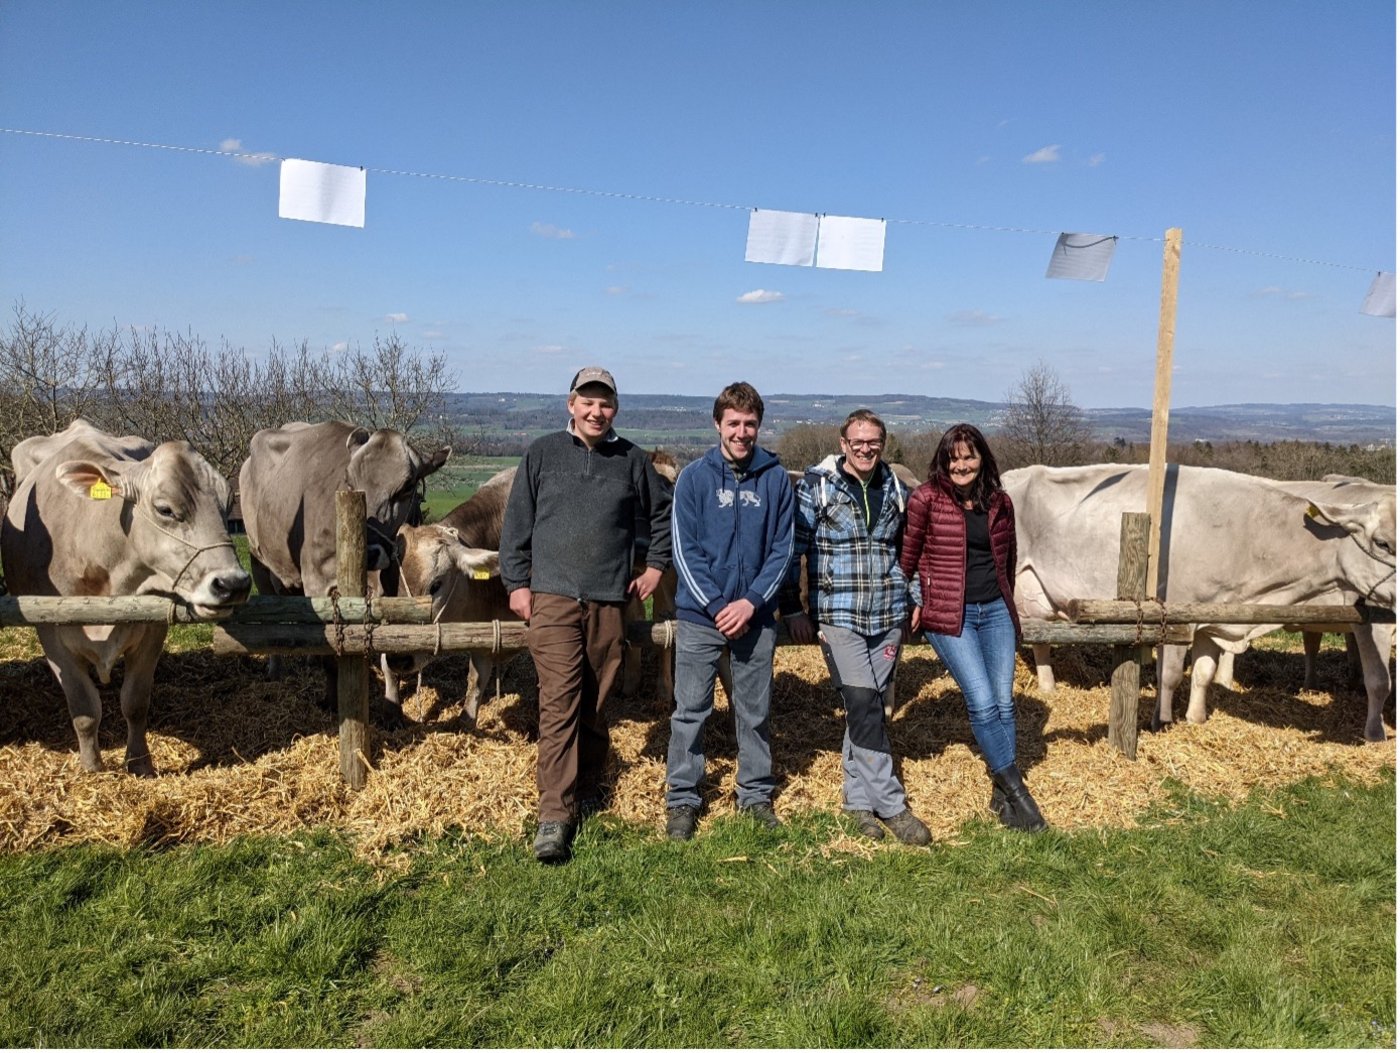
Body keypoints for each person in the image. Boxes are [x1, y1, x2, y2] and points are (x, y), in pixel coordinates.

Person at [499, 366, 672, 863]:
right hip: (551, 597)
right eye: (588, 402)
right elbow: (517, 524)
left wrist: (656, 567)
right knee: (559, 702)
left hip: (609, 600)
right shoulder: (542, 454)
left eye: (605, 403)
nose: (597, 412)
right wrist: (516, 584)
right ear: (571, 405)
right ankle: (554, 815)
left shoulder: (631, 461)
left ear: (615, 408)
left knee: (595, 701)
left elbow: (663, 515)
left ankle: (589, 786)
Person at [782, 410, 932, 845]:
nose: (866, 449)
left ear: (882, 444)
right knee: (865, 705)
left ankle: (857, 803)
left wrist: (914, 597)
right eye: (858, 442)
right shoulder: (817, 487)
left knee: (866, 710)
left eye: (873, 442)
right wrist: (792, 607)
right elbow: (794, 550)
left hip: (886, 615)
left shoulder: (896, 490)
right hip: (839, 614)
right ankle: (892, 805)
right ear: (843, 444)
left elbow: (909, 551)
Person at [899, 423, 1048, 833]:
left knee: (1004, 702)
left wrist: (1007, 603)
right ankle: (1019, 794)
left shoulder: (999, 502)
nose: (961, 465)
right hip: (950, 614)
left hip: (995, 610)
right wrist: (913, 600)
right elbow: (908, 557)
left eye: (969, 457)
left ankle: (1001, 796)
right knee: (982, 701)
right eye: (954, 458)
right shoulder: (926, 499)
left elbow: (1007, 557)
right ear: (943, 462)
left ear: (982, 459)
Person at [664, 381, 794, 840]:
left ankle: (754, 794)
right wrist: (719, 606)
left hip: (755, 618)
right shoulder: (694, 479)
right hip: (702, 618)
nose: (742, 432)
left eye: (750, 424)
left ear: (759, 426)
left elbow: (782, 550)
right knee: (690, 710)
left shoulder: (776, 480)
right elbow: (685, 551)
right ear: (717, 424)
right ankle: (683, 798)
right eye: (734, 423)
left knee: (754, 711)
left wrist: (750, 602)